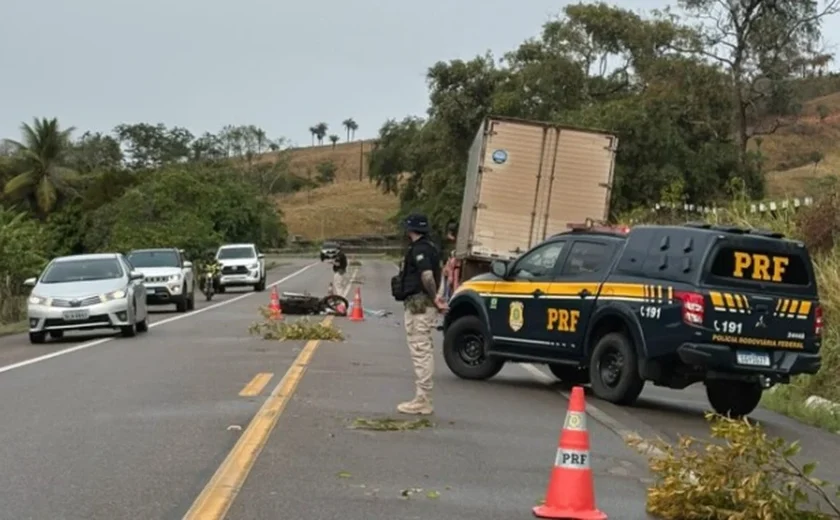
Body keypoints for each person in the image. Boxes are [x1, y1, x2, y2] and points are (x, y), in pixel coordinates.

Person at [394, 213, 446, 415]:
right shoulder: (432, 247)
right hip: (423, 305)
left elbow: (427, 276)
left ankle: (423, 399)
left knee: (420, 350)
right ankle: (423, 397)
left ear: (410, 230)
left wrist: (435, 299)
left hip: (419, 305)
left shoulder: (420, 250)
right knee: (423, 348)